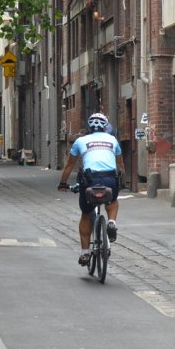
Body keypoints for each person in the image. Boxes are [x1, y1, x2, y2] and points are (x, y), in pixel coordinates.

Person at [58, 112, 124, 266]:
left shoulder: (81, 141)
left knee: (86, 214)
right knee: (112, 201)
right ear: (105, 126)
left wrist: (62, 183)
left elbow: (69, 165)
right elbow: (120, 165)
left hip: (89, 180)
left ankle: (85, 253)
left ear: (89, 127)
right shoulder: (112, 140)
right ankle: (112, 222)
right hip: (110, 179)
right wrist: (123, 181)